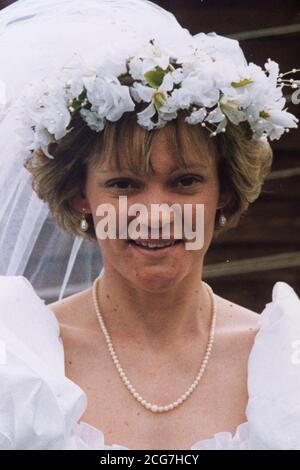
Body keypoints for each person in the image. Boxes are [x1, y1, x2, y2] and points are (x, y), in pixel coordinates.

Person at [0, 0, 299, 451]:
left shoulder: (286, 365)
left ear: (225, 191)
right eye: (123, 183)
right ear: (82, 195)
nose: (156, 214)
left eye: (185, 182)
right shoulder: (16, 366)